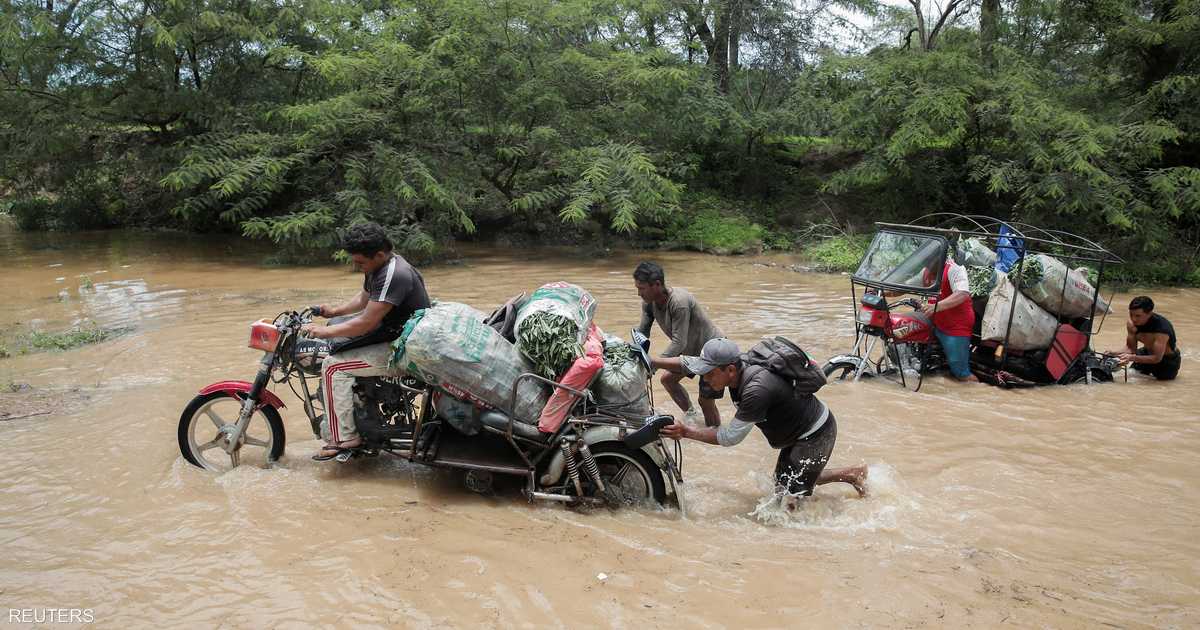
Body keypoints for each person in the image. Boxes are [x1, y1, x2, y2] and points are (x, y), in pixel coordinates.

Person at [660, 338, 867, 508]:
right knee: (783, 485)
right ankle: (851, 474)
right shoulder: (738, 365)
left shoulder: (756, 390)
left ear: (730, 370)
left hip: (814, 433)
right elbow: (688, 363)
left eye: (709, 374)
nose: (705, 380)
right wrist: (653, 362)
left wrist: (686, 431)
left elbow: (731, 437)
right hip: (799, 433)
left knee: (789, 503)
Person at [301, 223, 431, 459]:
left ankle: (345, 438)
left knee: (332, 367)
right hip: (396, 335)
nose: (356, 266)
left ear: (379, 254)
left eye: (360, 262)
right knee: (337, 336)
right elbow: (364, 299)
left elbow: (366, 323)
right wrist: (332, 312)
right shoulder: (380, 267)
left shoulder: (394, 275)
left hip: (404, 349)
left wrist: (321, 332)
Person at [634, 261, 725, 427]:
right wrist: (633, 354)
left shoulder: (679, 302)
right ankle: (691, 415)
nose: (639, 293)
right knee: (668, 380)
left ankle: (714, 434)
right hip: (691, 353)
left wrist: (653, 365)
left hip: (712, 351)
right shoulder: (648, 304)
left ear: (657, 285)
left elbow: (679, 342)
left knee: (705, 401)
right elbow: (643, 332)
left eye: (642, 288)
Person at [1112, 296, 1181, 381]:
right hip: (1145, 353)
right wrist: (1114, 353)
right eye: (1131, 314)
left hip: (1166, 361)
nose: (1134, 319)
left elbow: (1156, 358)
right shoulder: (1131, 324)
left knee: (1161, 387)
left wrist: (1131, 358)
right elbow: (1131, 349)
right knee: (1132, 375)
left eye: (1138, 316)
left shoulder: (1162, 330)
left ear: (1149, 313)